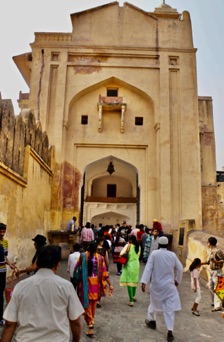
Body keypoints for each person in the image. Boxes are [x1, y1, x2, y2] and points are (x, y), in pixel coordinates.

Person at [1, 245, 84, 342]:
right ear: (57, 265)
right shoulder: (67, 287)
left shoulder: (20, 286)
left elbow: (9, 324)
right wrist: (75, 340)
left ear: (37, 263)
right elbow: (75, 322)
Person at [141, 236, 183, 342]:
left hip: (157, 285)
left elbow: (148, 268)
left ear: (158, 244)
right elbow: (180, 268)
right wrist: (177, 280)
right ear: (167, 245)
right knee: (169, 309)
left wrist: (144, 282)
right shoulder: (172, 255)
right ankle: (170, 331)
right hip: (169, 286)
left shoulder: (154, 254)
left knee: (154, 302)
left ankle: (152, 320)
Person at [75, 241, 113, 337]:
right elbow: (105, 273)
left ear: (88, 247)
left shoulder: (83, 256)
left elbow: (76, 268)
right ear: (96, 249)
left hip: (85, 284)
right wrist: (110, 284)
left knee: (87, 305)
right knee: (92, 305)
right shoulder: (100, 258)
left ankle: (90, 324)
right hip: (96, 285)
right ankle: (91, 323)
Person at [201, 236, 224, 311]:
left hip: (218, 271)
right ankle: (214, 301)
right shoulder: (211, 250)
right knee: (210, 286)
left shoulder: (218, 251)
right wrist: (200, 264)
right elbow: (208, 262)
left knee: (217, 288)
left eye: (207, 242)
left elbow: (222, 260)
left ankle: (218, 306)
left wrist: (216, 262)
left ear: (210, 243)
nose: (207, 243)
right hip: (211, 271)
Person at [0, 223, 16, 327]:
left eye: (3, 231)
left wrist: (10, 264)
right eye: (0, 231)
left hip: (2, 271)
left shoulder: (5, 242)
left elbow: (5, 257)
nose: (2, 233)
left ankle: (0, 317)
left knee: (1, 294)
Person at [120, 235, 140, 306]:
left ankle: (131, 301)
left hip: (129, 265)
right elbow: (138, 256)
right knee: (134, 281)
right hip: (136, 265)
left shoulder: (128, 246)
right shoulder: (138, 247)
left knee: (129, 282)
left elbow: (121, 253)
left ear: (131, 240)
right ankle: (134, 296)